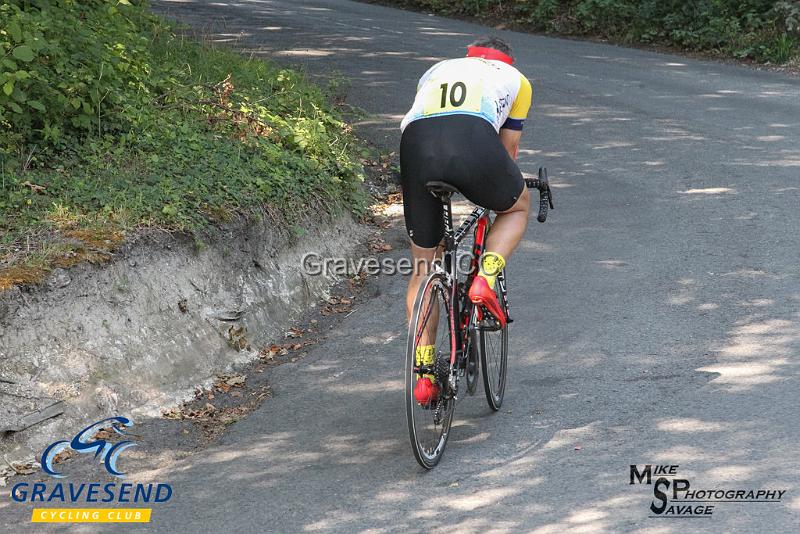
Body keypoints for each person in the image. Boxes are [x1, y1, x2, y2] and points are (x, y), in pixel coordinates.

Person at [399, 36, 533, 405]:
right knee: (517, 204)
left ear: (470, 55)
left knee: (423, 265)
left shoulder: (437, 69)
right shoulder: (517, 79)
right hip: (472, 139)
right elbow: (506, 150)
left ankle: (424, 372)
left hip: (416, 145)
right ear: (507, 60)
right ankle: (486, 278)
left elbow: (429, 118)